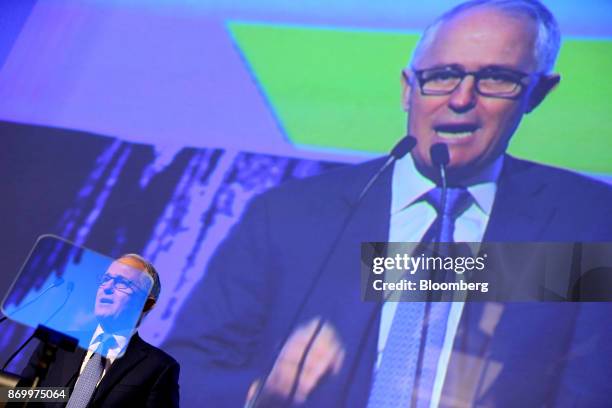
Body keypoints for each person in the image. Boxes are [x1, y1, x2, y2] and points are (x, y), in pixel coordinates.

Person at [164, 0, 612, 406]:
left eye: (496, 78)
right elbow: (185, 370)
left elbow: (587, 390)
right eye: (441, 76)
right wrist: (261, 392)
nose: (460, 99)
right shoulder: (288, 215)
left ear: (537, 93)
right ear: (407, 88)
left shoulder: (587, 221)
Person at [21, 254, 180, 408]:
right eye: (106, 280)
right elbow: (18, 396)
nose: (108, 288)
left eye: (121, 283)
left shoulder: (159, 368)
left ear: (146, 303)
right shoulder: (58, 343)